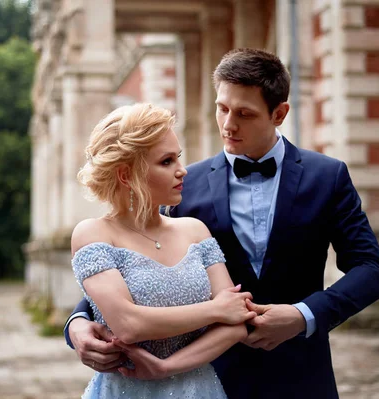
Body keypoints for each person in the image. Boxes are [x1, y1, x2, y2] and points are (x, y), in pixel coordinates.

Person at [65, 48, 379, 399]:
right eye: (222, 108)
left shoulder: (327, 177)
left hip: (301, 374)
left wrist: (303, 315)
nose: (228, 124)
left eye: (244, 114)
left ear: (279, 113)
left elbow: (371, 269)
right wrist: (78, 324)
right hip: (206, 376)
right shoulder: (182, 186)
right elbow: (139, 266)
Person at [69, 102, 258, 398]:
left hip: (200, 389)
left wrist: (166, 367)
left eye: (178, 158)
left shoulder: (195, 230)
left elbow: (235, 326)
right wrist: (215, 309)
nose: (182, 171)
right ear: (125, 174)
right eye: (167, 161)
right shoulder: (93, 234)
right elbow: (129, 325)